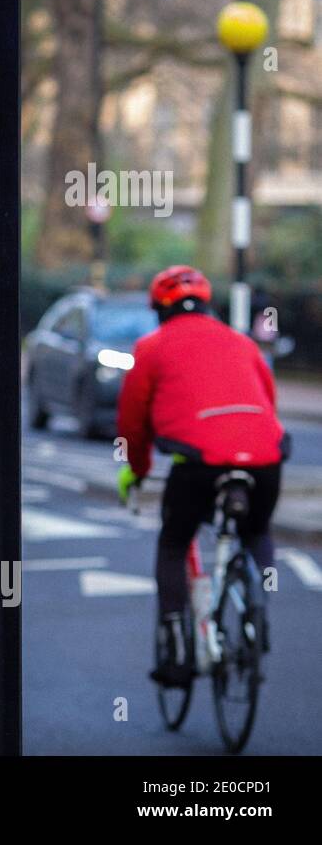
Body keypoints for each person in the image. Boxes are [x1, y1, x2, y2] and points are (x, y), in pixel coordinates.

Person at [115, 265, 286, 686]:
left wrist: (136, 470)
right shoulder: (243, 343)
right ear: (209, 305)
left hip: (197, 463)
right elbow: (267, 400)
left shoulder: (150, 347)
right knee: (257, 530)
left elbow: (132, 422)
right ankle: (258, 607)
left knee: (174, 543)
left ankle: (175, 649)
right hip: (265, 458)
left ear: (158, 310)